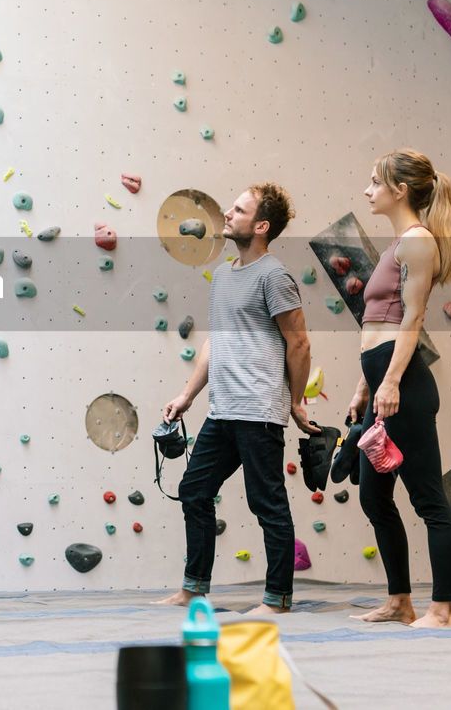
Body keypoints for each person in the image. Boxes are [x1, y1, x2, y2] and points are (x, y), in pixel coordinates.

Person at [156, 184, 317, 614]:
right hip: (223, 410)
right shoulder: (225, 274)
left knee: (267, 504)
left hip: (259, 410)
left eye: (239, 209)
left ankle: (277, 599)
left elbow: (298, 343)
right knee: (194, 490)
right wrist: (187, 395)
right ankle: (194, 588)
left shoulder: (274, 276)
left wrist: (295, 402)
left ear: (260, 225)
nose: (227, 213)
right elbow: (216, 343)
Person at [349, 149, 451, 627]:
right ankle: (400, 601)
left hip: (405, 388)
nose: (368, 190)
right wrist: (364, 384)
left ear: (400, 190)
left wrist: (391, 380)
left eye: (375, 182)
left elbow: (412, 319)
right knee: (373, 497)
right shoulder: (400, 244)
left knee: (428, 500)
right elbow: (380, 320)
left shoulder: (417, 242)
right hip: (382, 384)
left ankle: (443, 609)